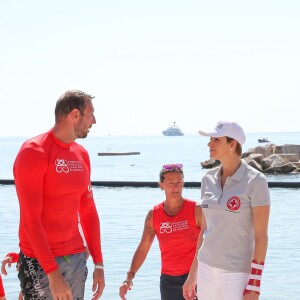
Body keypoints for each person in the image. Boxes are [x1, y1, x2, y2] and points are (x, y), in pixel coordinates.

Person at [13, 90, 105, 299]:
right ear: (74, 115)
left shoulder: (81, 154)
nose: (94, 121)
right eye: (90, 115)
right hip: (39, 261)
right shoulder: (33, 152)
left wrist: (98, 262)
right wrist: (53, 274)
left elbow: (89, 212)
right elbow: (31, 220)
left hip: (76, 258)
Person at [183, 121, 271, 300]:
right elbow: (205, 231)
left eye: (216, 139)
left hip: (237, 273)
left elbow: (261, 236)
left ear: (232, 144)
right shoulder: (207, 178)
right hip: (206, 269)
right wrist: (193, 274)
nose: (209, 144)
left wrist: (254, 284)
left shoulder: (256, 181)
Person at [119, 164, 202, 300]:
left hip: (195, 278)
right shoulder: (154, 215)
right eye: (170, 183)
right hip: (168, 281)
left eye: (179, 182)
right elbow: (143, 248)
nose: (176, 187)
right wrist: (129, 278)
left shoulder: (196, 210)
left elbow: (210, 243)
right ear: (161, 185)